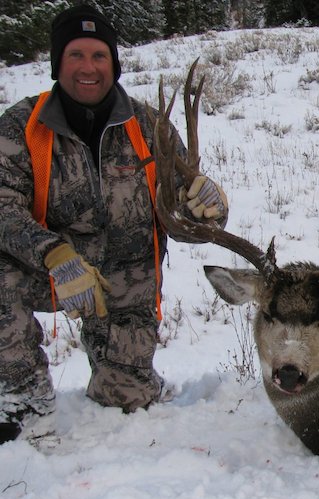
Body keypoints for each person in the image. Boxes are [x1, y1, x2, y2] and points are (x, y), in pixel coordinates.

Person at [0, 5, 228, 443]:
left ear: (114, 64)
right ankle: (27, 404)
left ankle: (128, 376)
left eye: (99, 56)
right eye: (76, 56)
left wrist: (210, 205)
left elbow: (181, 211)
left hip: (126, 286)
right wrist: (54, 254)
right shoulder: (21, 127)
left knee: (125, 399)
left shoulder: (148, 125)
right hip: (52, 273)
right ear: (57, 63)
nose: (88, 68)